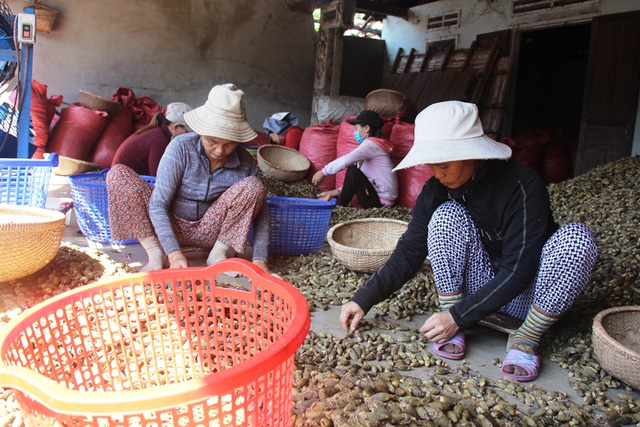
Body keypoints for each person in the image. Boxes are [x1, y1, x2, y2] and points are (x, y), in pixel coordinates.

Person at [339, 101, 599, 382]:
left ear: (471, 155)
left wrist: (459, 317)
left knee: (577, 239)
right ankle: (452, 317)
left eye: (445, 165)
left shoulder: (522, 186)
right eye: (433, 166)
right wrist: (364, 299)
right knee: (446, 215)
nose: (439, 174)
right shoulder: (436, 189)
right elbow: (410, 250)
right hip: (481, 286)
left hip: (532, 297)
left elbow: (519, 269)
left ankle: (526, 338)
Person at [106, 84, 270, 273]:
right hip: (169, 225)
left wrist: (260, 258)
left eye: (229, 144)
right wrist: (173, 252)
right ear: (201, 132)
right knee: (118, 175)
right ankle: (155, 253)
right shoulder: (181, 148)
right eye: (212, 141)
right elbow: (159, 204)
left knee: (254, 186)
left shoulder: (245, 162)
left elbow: (262, 215)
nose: (219, 151)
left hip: (210, 230)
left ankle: (217, 254)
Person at [311, 110, 398, 209]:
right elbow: (359, 182)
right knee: (354, 171)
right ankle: (340, 205)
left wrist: (323, 172)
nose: (355, 132)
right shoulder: (373, 146)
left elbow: (345, 161)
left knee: (353, 172)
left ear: (366, 128)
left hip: (381, 204)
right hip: (377, 198)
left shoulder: (371, 145)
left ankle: (339, 208)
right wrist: (332, 193)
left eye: (357, 128)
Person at [111, 102, 193, 176]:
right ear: (176, 127)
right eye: (187, 132)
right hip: (123, 185)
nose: (188, 136)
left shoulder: (158, 132)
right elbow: (158, 177)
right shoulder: (159, 140)